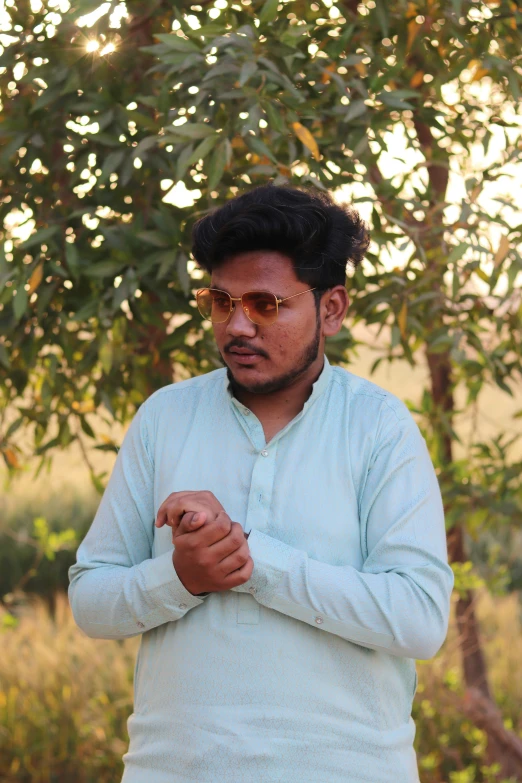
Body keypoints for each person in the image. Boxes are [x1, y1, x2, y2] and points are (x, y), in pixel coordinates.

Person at [68, 183, 454, 783]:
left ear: (331, 309)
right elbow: (92, 601)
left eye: (265, 304)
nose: (237, 325)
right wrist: (180, 578)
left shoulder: (378, 427)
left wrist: (253, 562)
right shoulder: (166, 418)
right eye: (221, 302)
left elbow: (419, 618)